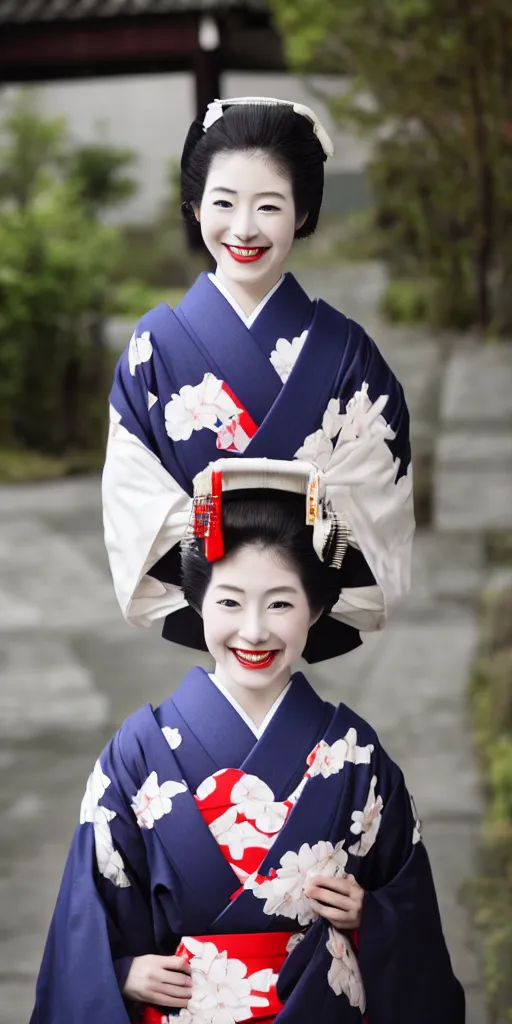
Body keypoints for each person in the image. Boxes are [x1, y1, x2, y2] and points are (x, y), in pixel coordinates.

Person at [31, 458, 464, 1024]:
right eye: (230, 601)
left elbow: (412, 919)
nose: (254, 630)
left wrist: (372, 917)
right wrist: (121, 972)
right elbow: (85, 922)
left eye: (280, 603)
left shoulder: (357, 755)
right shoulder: (137, 754)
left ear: (318, 608)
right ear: (197, 602)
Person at [103, 96, 415, 664]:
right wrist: (229, 582)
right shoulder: (154, 351)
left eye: (269, 206)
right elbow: (134, 496)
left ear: (302, 213)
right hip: (208, 593)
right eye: (224, 202)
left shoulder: (347, 355)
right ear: (195, 206)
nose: (244, 228)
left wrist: (279, 581)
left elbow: (377, 495)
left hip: (300, 600)